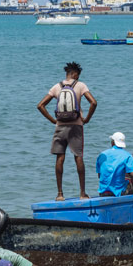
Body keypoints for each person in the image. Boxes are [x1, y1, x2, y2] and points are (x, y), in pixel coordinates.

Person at [36, 61, 97, 201]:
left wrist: (53, 121)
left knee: (60, 157)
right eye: (78, 76)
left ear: (67, 73)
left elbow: (40, 105)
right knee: (78, 156)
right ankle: (82, 193)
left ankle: (60, 194)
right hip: (76, 126)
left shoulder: (57, 87)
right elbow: (93, 102)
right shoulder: (80, 85)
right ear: (75, 74)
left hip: (60, 126)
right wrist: (86, 118)